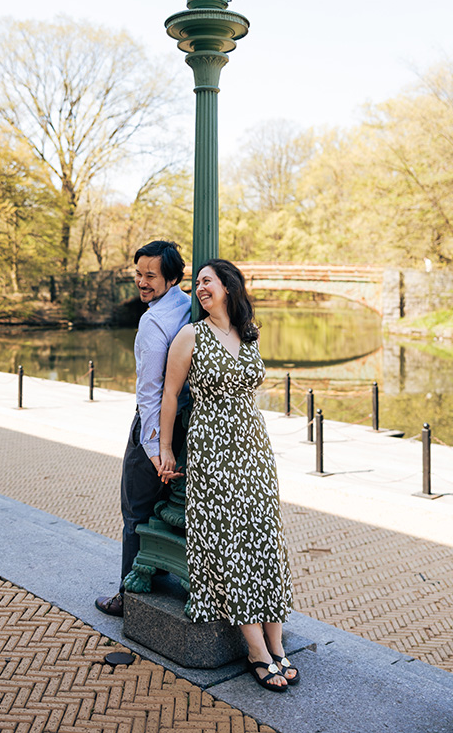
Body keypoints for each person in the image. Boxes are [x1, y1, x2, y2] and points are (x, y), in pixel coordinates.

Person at [157, 259, 295, 692]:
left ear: (229, 287)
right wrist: (164, 448)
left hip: (254, 448)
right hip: (213, 449)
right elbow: (170, 394)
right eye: (197, 282)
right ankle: (256, 650)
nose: (200, 288)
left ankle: (276, 643)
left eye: (207, 281)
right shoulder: (191, 335)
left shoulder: (249, 332)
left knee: (264, 536)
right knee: (230, 541)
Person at [95, 240, 191, 618]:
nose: (141, 282)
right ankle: (159, 573)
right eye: (138, 274)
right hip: (184, 426)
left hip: (152, 430)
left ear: (172, 278)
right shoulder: (190, 306)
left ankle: (128, 594)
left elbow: (150, 394)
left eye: (151, 275)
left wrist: (153, 450)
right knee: (165, 507)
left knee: (135, 510)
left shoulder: (153, 322)